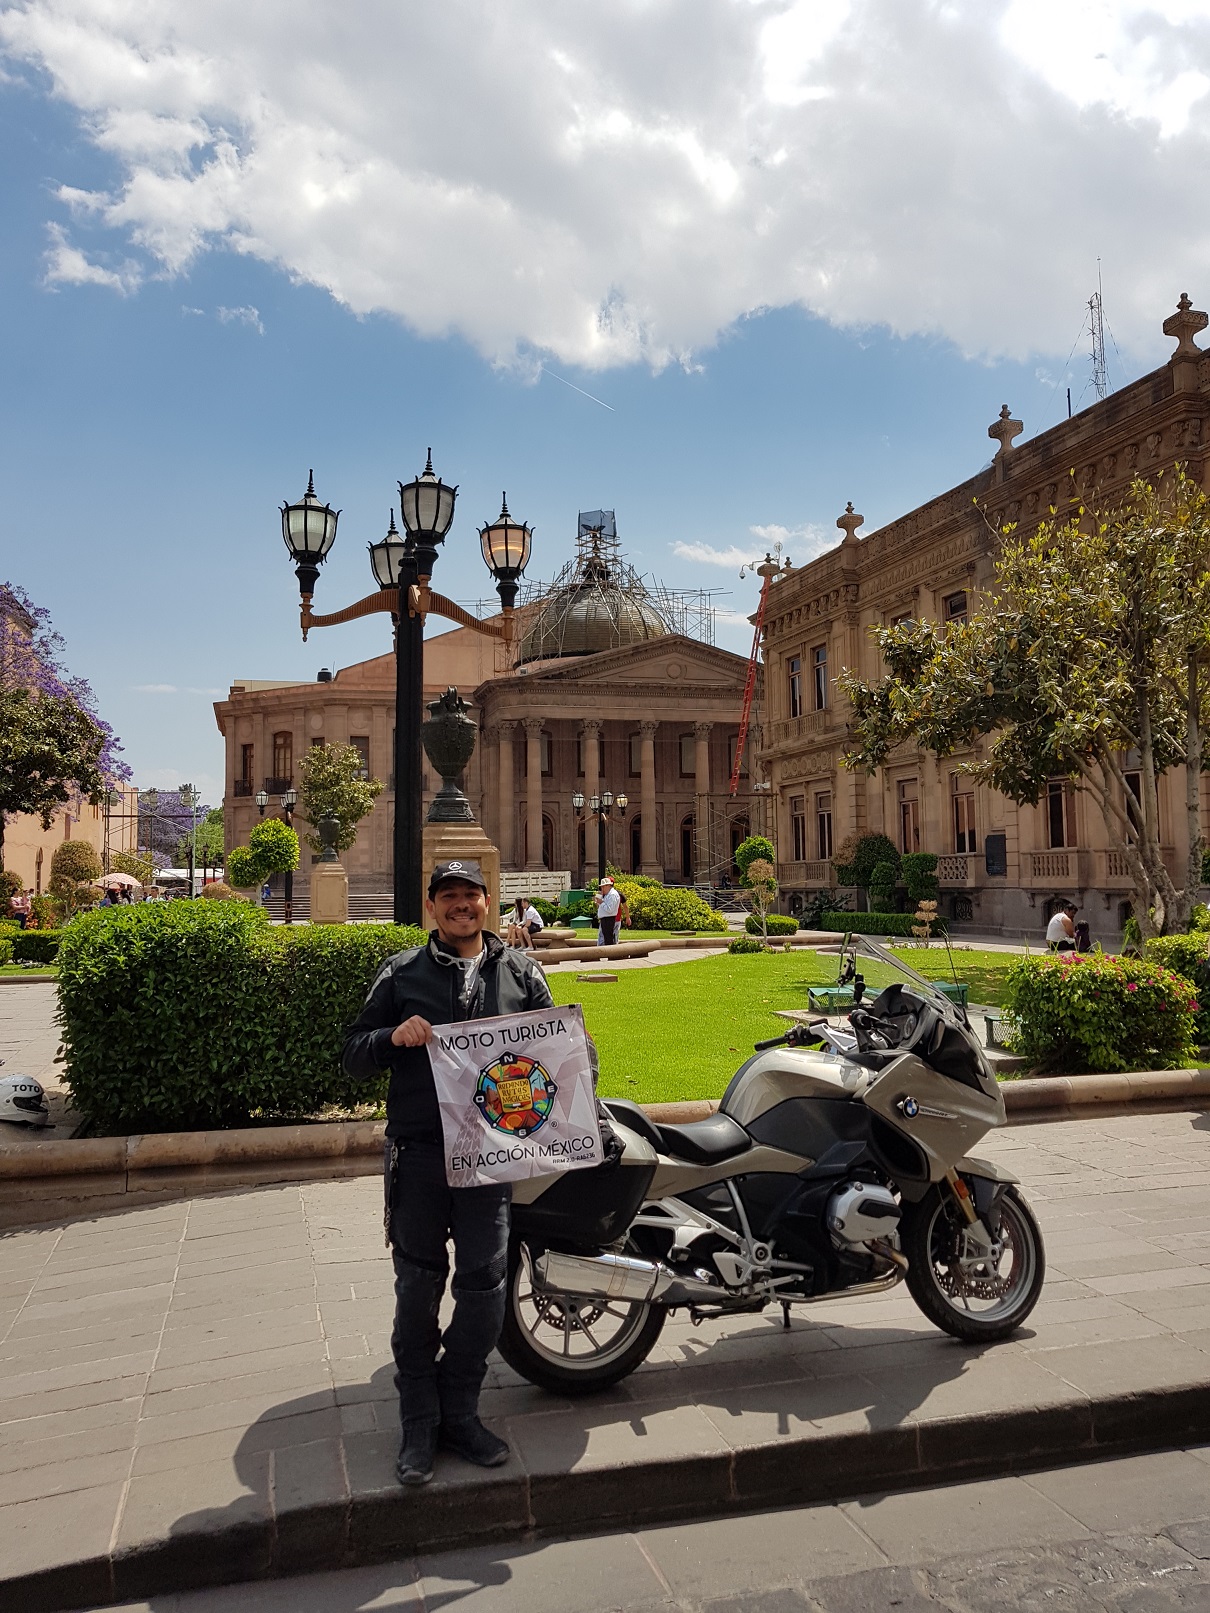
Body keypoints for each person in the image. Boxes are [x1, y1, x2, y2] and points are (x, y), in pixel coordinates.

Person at [342, 860, 554, 1488]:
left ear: (487, 904)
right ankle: (418, 1421)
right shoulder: (402, 973)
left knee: (487, 1289)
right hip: (422, 1155)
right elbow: (353, 1053)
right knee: (418, 1286)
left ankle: (459, 1409)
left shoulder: (520, 970)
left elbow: (565, 1050)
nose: (462, 906)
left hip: (492, 1160)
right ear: (432, 908)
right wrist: (391, 1037)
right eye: (449, 897)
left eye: (472, 896)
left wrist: (575, 1051)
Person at [594, 876, 622, 946]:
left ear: (608, 886)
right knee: (605, 938)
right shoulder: (607, 895)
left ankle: (611, 955)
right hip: (605, 919)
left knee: (609, 939)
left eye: (603, 887)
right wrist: (599, 897)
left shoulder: (612, 894)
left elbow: (610, 909)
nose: (602, 889)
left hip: (609, 919)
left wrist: (601, 902)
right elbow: (598, 905)